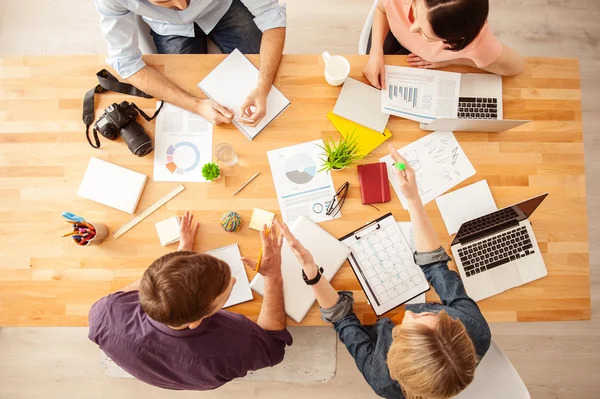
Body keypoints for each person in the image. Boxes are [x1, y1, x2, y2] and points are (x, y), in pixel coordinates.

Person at [275, 145, 491, 399]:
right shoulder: (473, 329)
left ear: (395, 354)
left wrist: (311, 270)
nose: (414, 313)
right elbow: (435, 265)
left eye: (414, 324)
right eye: (439, 317)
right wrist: (412, 199)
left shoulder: (383, 380)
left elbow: (343, 320)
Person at [88, 211, 292, 390]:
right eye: (227, 290)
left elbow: (144, 287)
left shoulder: (103, 313)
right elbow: (274, 348)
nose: (234, 279)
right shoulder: (234, 350)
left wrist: (179, 259)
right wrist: (273, 277)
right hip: (200, 374)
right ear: (196, 321)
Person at [94, 0, 286, 126]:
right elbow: (126, 63)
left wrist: (263, 86)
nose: (182, 5)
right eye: (163, 0)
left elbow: (270, 13)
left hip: (221, 7)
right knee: (186, 95)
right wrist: (196, 106)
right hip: (169, 28)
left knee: (259, 72)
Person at [364, 0, 525, 89]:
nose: (412, 28)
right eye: (415, 11)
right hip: (390, 32)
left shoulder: (477, 41)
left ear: (453, 40)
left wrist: (453, 60)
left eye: (424, 33)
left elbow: (516, 67)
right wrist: (375, 50)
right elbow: (382, 8)